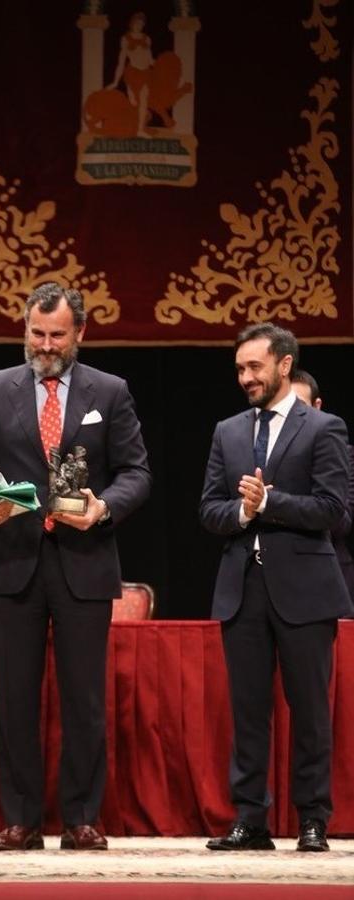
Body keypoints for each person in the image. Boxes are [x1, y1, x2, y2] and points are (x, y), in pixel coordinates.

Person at [0, 281, 151, 851]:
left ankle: (82, 817)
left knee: (84, 698)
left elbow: (137, 473)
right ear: (25, 330)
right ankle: (21, 819)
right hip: (12, 565)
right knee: (13, 697)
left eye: (58, 335)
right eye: (37, 334)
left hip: (84, 562)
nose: (46, 345)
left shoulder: (109, 391)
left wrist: (103, 507)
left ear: (80, 333)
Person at [200, 323, 353, 853]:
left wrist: (270, 503)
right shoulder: (228, 431)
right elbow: (209, 509)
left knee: (310, 708)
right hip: (242, 588)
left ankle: (312, 818)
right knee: (247, 710)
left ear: (284, 365)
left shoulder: (324, 428)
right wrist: (241, 511)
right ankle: (250, 820)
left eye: (254, 367)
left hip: (306, 589)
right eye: (240, 368)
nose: (245, 377)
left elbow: (334, 511)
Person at [291, 369, 354, 601]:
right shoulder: (264, 452)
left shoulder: (343, 455)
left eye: (300, 407)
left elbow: (342, 523)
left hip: (330, 576)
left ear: (316, 406)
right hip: (278, 575)